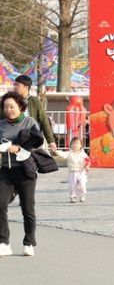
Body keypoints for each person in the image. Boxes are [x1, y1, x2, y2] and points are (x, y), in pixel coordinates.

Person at [0, 92, 44, 257]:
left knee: (27, 208)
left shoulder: (29, 122)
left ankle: (29, 242)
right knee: (0, 204)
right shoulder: (1, 125)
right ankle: (3, 242)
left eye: (12, 106)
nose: (8, 110)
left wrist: (18, 148)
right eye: (6, 107)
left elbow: (38, 143)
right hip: (6, 170)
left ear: (20, 107)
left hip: (25, 170)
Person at [0, 75, 56, 151]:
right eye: (14, 85)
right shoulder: (8, 101)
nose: (14, 87)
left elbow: (44, 120)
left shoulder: (34, 102)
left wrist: (51, 140)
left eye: (17, 85)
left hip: (29, 139)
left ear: (26, 88)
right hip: (11, 137)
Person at [50, 137, 90, 203]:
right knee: (72, 185)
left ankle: (82, 195)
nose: (75, 145)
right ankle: (73, 197)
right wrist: (55, 151)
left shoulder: (83, 154)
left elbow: (88, 161)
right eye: (73, 143)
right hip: (72, 172)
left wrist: (87, 166)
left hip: (81, 172)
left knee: (82, 184)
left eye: (77, 143)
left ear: (81, 145)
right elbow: (62, 154)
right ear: (70, 145)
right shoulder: (69, 153)